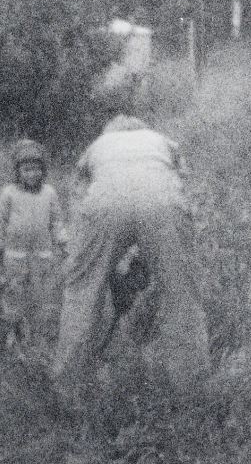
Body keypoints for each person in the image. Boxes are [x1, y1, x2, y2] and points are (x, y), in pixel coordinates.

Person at [53, 115, 210, 396]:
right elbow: (184, 186)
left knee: (81, 292)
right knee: (182, 294)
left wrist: (97, 263)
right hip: (163, 203)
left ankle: (68, 388)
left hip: (103, 206)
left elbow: (79, 198)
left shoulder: (98, 144)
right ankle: (192, 392)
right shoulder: (163, 141)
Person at [0, 139, 68, 359]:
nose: (32, 174)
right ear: (17, 171)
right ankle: (13, 342)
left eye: (36, 169)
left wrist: (63, 242)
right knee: (13, 297)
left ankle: (38, 344)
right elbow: (0, 223)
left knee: (41, 300)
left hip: (42, 257)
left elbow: (56, 222)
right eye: (26, 169)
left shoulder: (49, 194)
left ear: (43, 170)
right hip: (14, 256)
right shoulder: (9, 194)